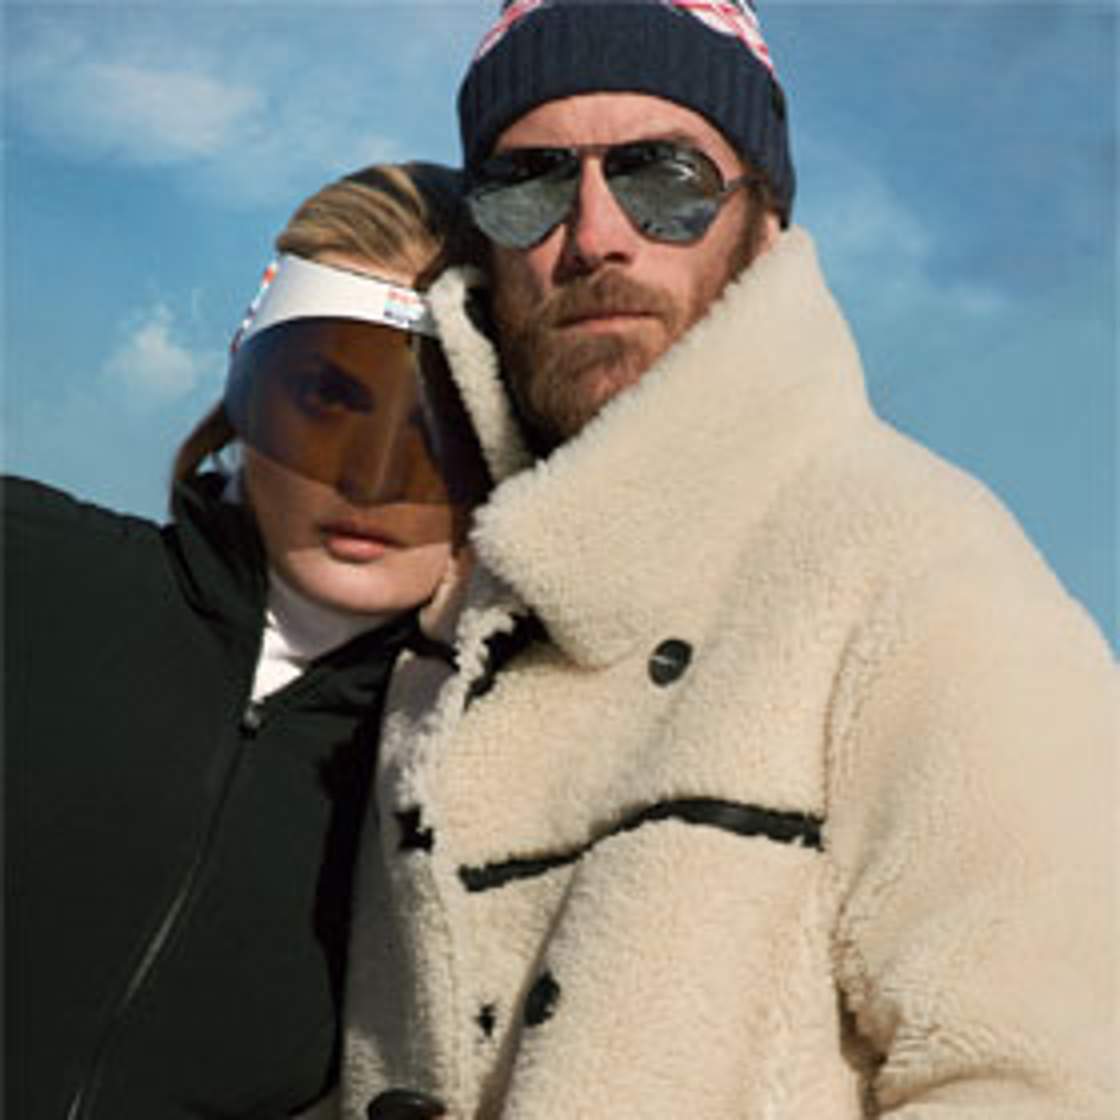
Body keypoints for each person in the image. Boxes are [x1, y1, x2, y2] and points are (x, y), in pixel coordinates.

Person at [341, 3, 1117, 1118]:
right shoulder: (436, 619)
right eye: (528, 186)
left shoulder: (922, 569)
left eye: (666, 180)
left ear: (764, 222)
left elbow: (1051, 1081)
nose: (595, 234)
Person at [3, 161, 486, 1119]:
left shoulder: (463, 786)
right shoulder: (26, 571)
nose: (370, 480)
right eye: (328, 398)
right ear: (246, 386)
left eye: (443, 428)